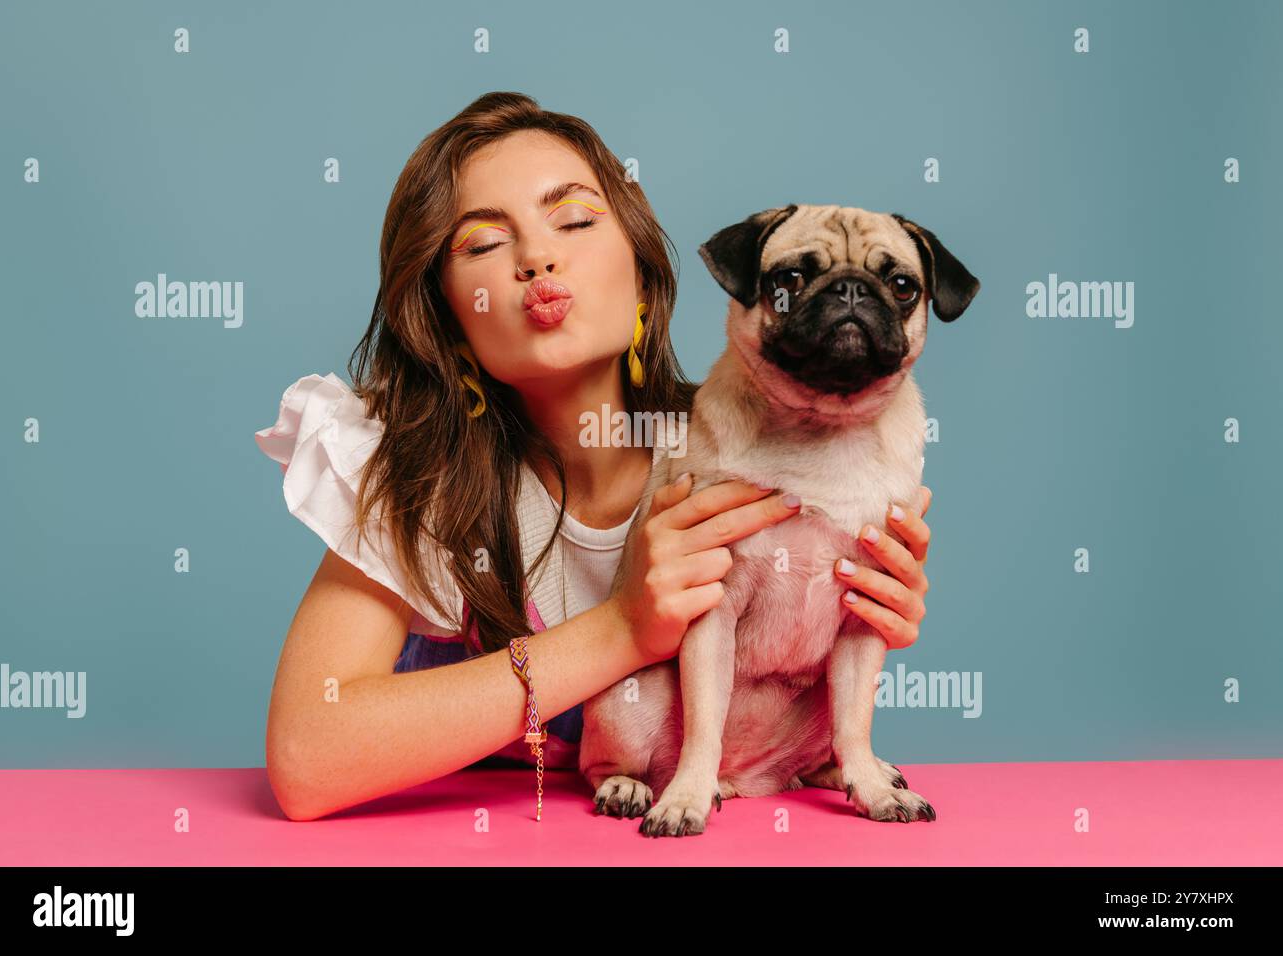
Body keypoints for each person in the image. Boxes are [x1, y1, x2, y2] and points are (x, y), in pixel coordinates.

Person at [254, 91, 934, 822]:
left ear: (642, 277)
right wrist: (623, 626)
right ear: (448, 320)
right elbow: (307, 759)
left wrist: (851, 610)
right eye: (483, 243)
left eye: (575, 220)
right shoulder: (419, 477)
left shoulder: (756, 450)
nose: (537, 257)